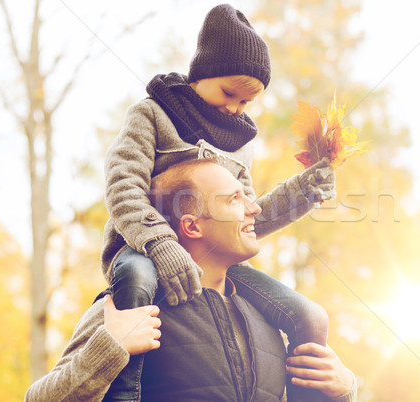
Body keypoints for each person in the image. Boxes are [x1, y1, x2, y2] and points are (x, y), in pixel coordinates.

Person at [102, 4, 336, 401]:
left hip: (212, 256)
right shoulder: (153, 115)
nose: (234, 108)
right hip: (142, 247)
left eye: (246, 103)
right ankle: (124, 392)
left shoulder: (240, 145)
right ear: (202, 74)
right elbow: (123, 186)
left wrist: (303, 192)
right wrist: (161, 244)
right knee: (138, 281)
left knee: (308, 315)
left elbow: (243, 215)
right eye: (229, 93)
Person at [25, 159, 356, 401]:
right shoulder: (131, 309)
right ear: (192, 226)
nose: (254, 208)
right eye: (233, 199)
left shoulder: (268, 317)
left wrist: (344, 390)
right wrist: (108, 350)